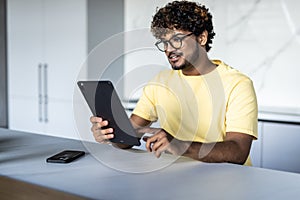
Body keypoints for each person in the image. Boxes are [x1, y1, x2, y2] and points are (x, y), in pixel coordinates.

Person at [90, 0, 258, 165]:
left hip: (227, 181)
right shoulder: (160, 82)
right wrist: (112, 134)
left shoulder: (237, 84)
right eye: (164, 43)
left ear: (202, 38)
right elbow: (129, 137)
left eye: (177, 39)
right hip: (175, 177)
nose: (169, 49)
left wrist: (179, 145)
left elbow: (238, 151)